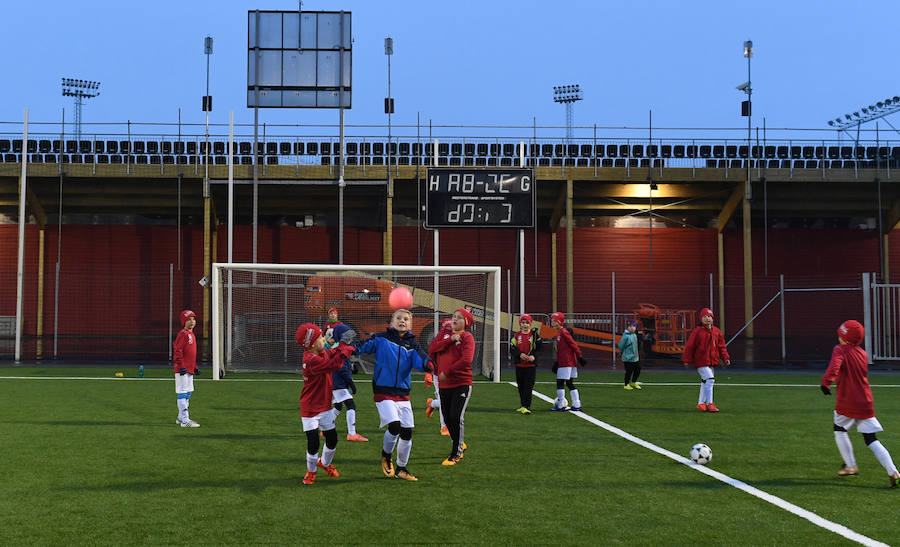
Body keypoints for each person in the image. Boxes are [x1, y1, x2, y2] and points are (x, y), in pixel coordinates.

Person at [356, 308, 435, 481]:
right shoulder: (382, 338)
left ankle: (401, 468)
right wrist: (347, 349)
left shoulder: (413, 345)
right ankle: (386, 455)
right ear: (391, 322)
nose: (402, 321)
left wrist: (429, 366)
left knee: (407, 432)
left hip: (403, 394)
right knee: (394, 426)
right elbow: (362, 345)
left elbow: (422, 359)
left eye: (406, 319)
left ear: (410, 324)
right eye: (398, 318)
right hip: (383, 392)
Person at [821, 320, 899, 488]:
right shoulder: (863, 354)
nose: (839, 338)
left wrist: (826, 382)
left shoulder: (839, 349)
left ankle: (851, 465)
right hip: (865, 402)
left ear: (845, 338)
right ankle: (893, 472)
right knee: (871, 439)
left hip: (847, 401)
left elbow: (835, 366)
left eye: (841, 335)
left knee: (839, 429)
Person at [296, 322, 356, 486]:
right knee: (313, 441)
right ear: (313, 343)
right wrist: (345, 349)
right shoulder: (310, 360)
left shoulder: (321, 353)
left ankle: (325, 464)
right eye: (321, 337)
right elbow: (334, 364)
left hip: (324, 406)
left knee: (332, 439)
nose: (325, 339)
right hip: (309, 407)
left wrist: (343, 344)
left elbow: (334, 352)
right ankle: (311, 471)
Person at [429, 308, 475, 466]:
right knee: (448, 419)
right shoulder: (444, 335)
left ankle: (456, 452)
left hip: (461, 383)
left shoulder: (467, 337)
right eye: (453, 316)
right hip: (444, 385)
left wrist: (447, 372)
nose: (454, 319)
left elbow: (466, 360)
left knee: (456, 417)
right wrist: (449, 339)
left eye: (459, 317)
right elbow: (432, 349)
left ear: (466, 322)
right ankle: (458, 443)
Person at [682, 307, 730, 412]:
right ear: (701, 319)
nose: (707, 318)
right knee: (710, 379)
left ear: (712, 318)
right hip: (701, 361)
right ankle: (709, 403)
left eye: (709, 316)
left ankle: (700, 403)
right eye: (705, 316)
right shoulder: (697, 332)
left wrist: (725, 357)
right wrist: (687, 359)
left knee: (705, 381)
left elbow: (721, 346)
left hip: (711, 361)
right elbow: (690, 346)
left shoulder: (716, 331)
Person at [326, 324, 368, 442]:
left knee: (338, 406)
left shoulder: (339, 348)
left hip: (334, 382)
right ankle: (352, 434)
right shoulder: (342, 350)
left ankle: (325, 429)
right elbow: (343, 369)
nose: (350, 339)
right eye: (347, 336)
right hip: (339, 383)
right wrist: (351, 383)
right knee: (351, 405)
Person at [550, 312, 586, 412]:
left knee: (560, 382)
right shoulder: (560, 333)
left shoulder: (563, 332)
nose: (552, 323)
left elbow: (573, 344)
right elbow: (561, 350)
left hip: (566, 362)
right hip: (567, 362)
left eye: (554, 321)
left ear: (560, 322)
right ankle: (576, 403)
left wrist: (580, 357)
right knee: (569, 383)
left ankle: (561, 404)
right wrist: (556, 362)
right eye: (552, 321)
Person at [173, 310, 200, 428]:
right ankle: (185, 420)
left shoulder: (192, 334)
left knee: (188, 393)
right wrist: (181, 365)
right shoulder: (182, 334)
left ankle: (180, 418)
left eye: (193, 319)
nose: (192, 322)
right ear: (184, 322)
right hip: (182, 370)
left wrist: (195, 367)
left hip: (189, 369)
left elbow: (191, 354)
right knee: (183, 393)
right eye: (189, 319)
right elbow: (178, 351)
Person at [510, 314, 541, 413]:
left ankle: (527, 406)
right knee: (521, 386)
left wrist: (533, 356)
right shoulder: (516, 335)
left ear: (530, 324)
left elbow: (539, 348)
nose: (525, 325)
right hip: (519, 365)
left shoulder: (534, 335)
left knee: (528, 386)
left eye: (527, 323)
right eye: (523, 322)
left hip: (530, 366)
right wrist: (520, 354)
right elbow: (512, 348)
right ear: (520, 324)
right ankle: (523, 404)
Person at [426, 317, 452, 435]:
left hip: (451, 374)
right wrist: (429, 372)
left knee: (448, 401)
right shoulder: (441, 338)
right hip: (439, 374)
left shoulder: (458, 337)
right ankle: (444, 426)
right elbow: (431, 355)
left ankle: (432, 404)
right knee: (445, 401)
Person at [618, 321, 642, 390]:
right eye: (630, 326)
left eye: (634, 326)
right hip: (627, 357)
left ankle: (633, 382)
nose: (632, 328)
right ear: (627, 327)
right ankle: (626, 384)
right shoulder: (625, 336)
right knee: (629, 371)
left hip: (635, 357)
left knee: (638, 369)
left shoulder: (634, 335)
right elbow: (620, 345)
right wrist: (622, 352)